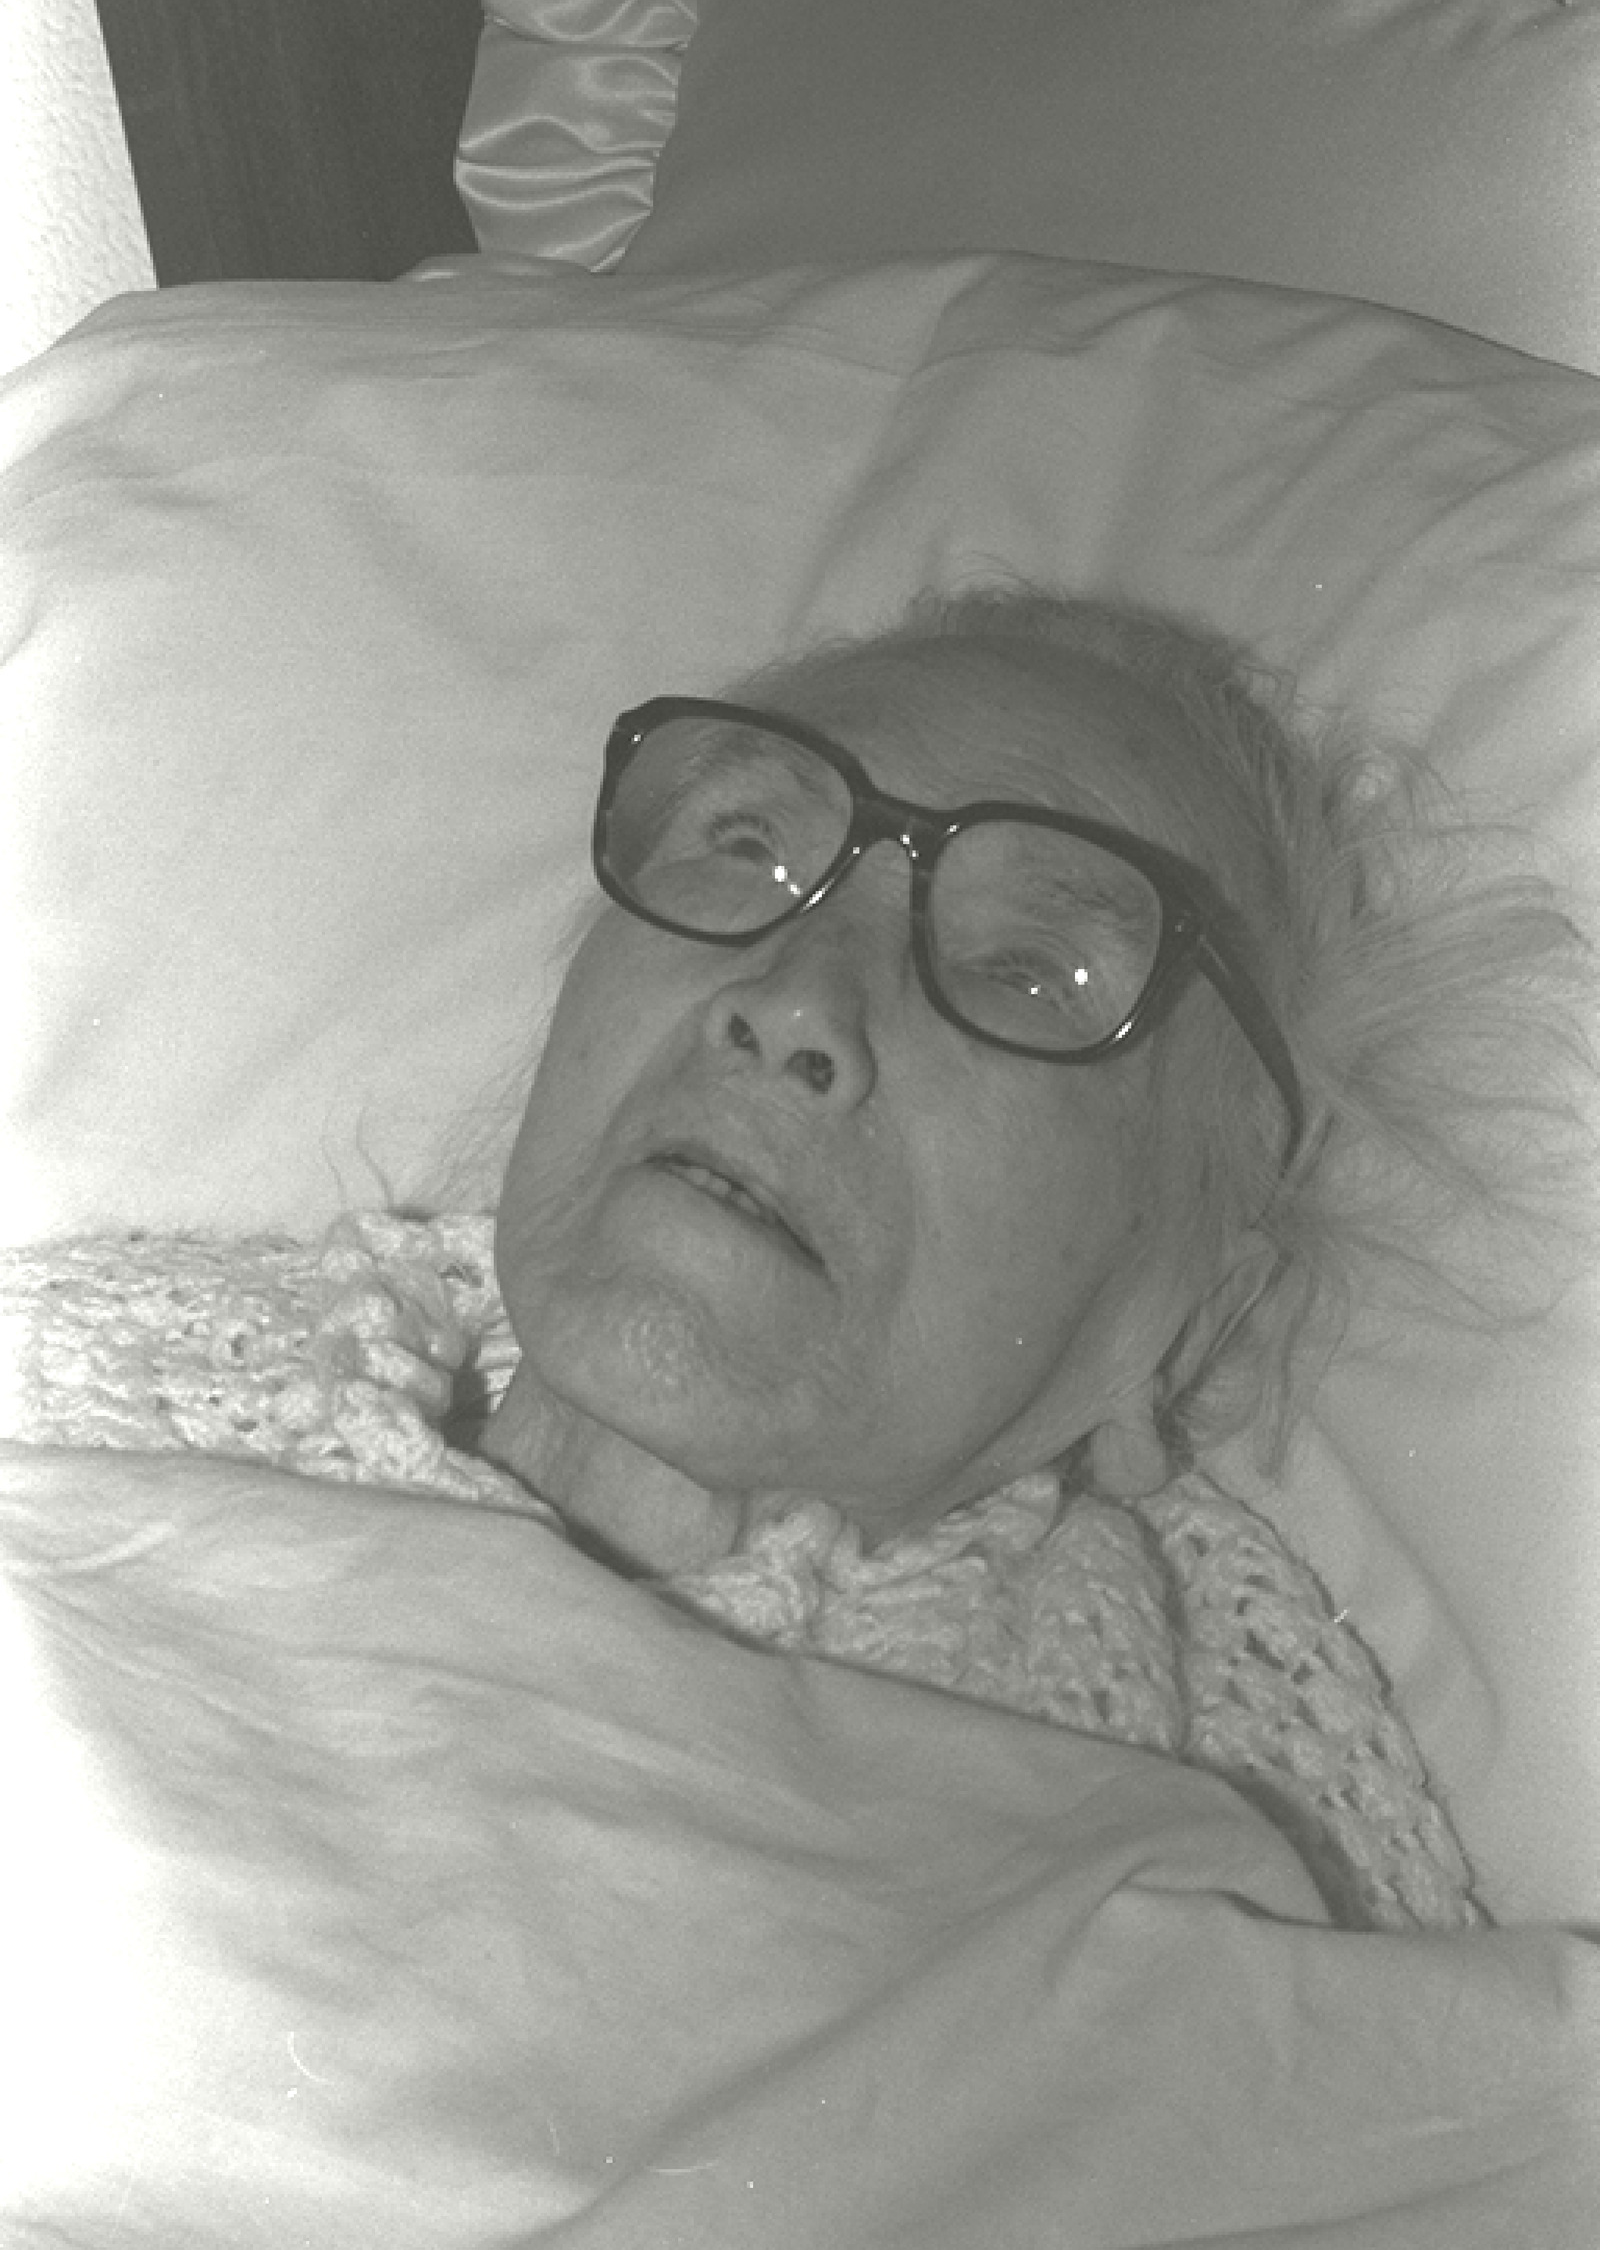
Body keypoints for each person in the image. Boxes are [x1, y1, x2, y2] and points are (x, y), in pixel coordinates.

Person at [4, 585, 1590, 1930]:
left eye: (1031, 969)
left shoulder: (1223, 1839)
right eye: (750, 844)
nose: (797, 1000)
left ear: (1175, 1328)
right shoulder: (85, 1377)